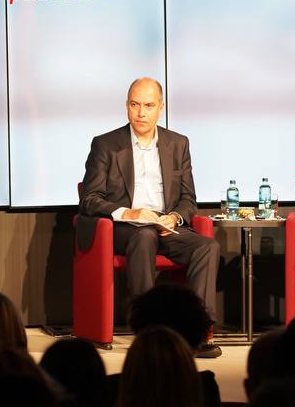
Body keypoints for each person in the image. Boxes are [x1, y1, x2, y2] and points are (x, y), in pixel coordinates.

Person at [77, 77, 220, 357]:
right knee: (144, 236)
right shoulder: (106, 144)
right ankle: (149, 332)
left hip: (165, 226)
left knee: (207, 247)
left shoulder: (178, 144)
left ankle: (199, 332)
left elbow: (188, 199)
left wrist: (174, 218)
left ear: (160, 108)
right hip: (125, 229)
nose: (141, 113)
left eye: (148, 106)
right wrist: (130, 212)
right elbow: (90, 199)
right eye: (134, 105)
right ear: (126, 106)